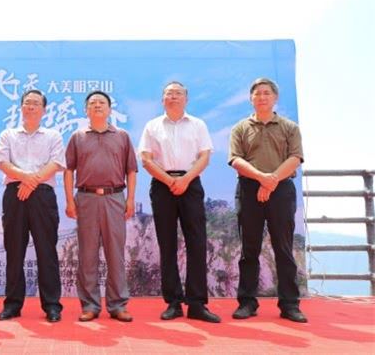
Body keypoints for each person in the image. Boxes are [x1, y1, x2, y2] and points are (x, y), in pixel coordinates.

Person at [138, 82, 221, 323]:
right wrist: (169, 180)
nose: (173, 96)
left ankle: (197, 303)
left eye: (178, 93)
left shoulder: (198, 124)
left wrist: (185, 180)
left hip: (190, 183)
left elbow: (204, 156)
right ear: (162, 99)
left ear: (186, 98)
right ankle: (173, 302)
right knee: (167, 244)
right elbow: (146, 159)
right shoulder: (152, 126)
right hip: (162, 185)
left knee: (197, 242)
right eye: (168, 93)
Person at [228, 77, 307, 323]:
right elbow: (236, 159)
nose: (262, 97)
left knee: (283, 248)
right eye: (257, 93)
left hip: (281, 190)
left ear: (275, 98)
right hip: (249, 190)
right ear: (251, 98)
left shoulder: (289, 127)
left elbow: (295, 158)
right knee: (249, 249)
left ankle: (290, 304)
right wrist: (262, 179)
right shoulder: (240, 128)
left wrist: (271, 181)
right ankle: (247, 302)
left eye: (267, 93)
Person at [0, 90, 65, 322]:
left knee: (47, 251)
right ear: (21, 107)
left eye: (36, 103)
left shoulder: (53, 135)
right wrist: (27, 178)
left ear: (44, 110)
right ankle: (13, 304)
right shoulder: (8, 134)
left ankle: (52, 305)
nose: (31, 106)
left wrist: (31, 182)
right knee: (14, 251)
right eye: (27, 103)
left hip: (43, 195)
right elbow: (2, 162)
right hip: (15, 194)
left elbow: (56, 163)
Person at [64, 90, 137, 322]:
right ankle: (90, 305)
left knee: (116, 253)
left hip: (114, 198)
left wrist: (130, 199)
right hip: (86, 198)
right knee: (87, 254)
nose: (97, 105)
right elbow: (68, 170)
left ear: (109, 109)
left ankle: (118, 305)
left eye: (102, 102)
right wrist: (69, 200)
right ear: (86, 110)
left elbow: (131, 170)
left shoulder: (122, 136)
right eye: (93, 103)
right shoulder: (77, 137)